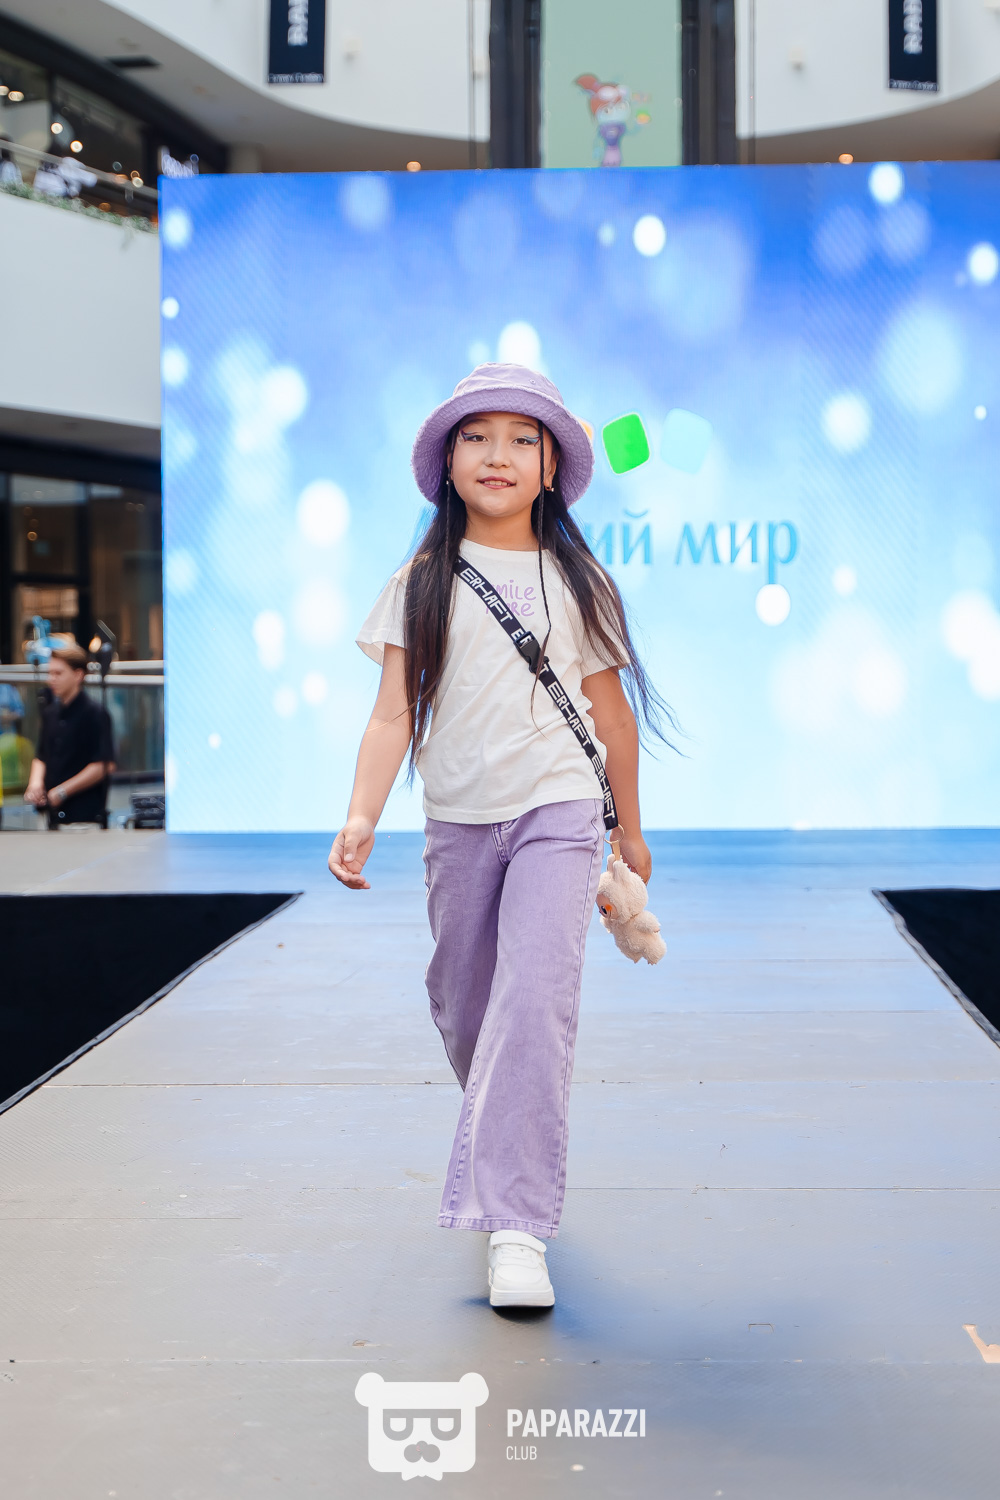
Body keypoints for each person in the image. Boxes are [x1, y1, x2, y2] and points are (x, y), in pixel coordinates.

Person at [328, 364, 674, 1310]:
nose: (498, 455)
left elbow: (613, 718)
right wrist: (361, 813)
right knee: (465, 1003)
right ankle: (505, 1126)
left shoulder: (578, 581)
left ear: (552, 467)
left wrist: (631, 832)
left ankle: (516, 1226)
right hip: (456, 820)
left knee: (534, 1002)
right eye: (477, 437)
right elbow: (392, 713)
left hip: (559, 812)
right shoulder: (421, 582)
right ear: (446, 462)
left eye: (524, 439)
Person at [24, 644, 115, 828]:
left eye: (58, 673)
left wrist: (63, 791)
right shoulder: (50, 713)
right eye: (50, 673)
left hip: (84, 817)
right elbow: (41, 756)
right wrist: (35, 784)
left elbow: (104, 765)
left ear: (78, 675)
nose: (52, 679)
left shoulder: (95, 713)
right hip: (51, 815)